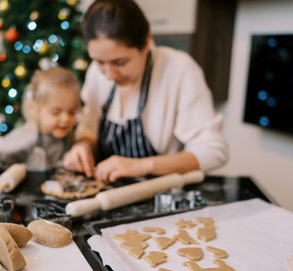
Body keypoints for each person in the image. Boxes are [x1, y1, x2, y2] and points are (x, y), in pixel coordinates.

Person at [63, 0, 228, 184]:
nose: (109, 75)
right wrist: (83, 145)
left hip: (158, 198)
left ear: (147, 42)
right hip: (105, 193)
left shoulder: (179, 70)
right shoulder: (96, 73)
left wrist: (143, 165)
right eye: (100, 62)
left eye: (120, 62)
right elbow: (88, 130)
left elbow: (214, 152)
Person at [0, 67, 80, 189]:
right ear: (34, 109)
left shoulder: (67, 135)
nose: (66, 119)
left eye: (72, 112)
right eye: (56, 112)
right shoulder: (26, 139)